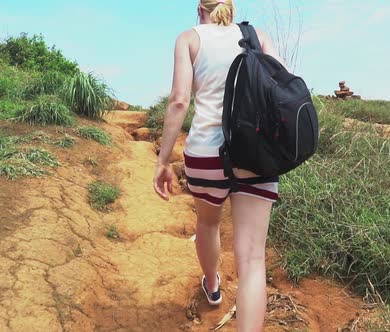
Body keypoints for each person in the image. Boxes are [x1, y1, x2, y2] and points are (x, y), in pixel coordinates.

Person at [152, 0, 283, 331]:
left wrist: (163, 160)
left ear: (200, 9)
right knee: (252, 260)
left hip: (206, 154)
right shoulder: (259, 37)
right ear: (232, 8)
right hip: (256, 155)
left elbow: (180, 100)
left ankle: (212, 286)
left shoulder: (190, 38)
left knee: (208, 224)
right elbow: (282, 89)